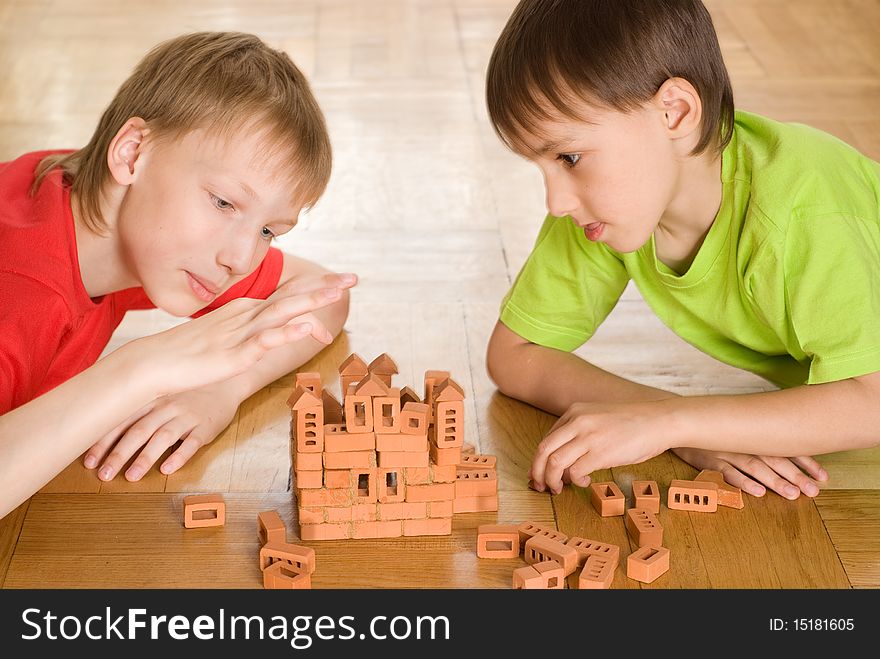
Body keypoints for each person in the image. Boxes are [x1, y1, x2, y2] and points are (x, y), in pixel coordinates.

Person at [484, 0, 880, 501]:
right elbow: (514, 356)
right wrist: (676, 427)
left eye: (570, 156)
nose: (556, 201)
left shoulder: (805, 211)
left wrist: (674, 422)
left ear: (674, 112)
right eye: (542, 167)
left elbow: (872, 402)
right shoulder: (605, 210)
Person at [0, 31, 356, 519]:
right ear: (131, 153)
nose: (241, 258)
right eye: (224, 202)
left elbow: (324, 293)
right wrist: (139, 369)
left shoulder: (102, 200)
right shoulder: (20, 290)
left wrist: (223, 387)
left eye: (270, 230)